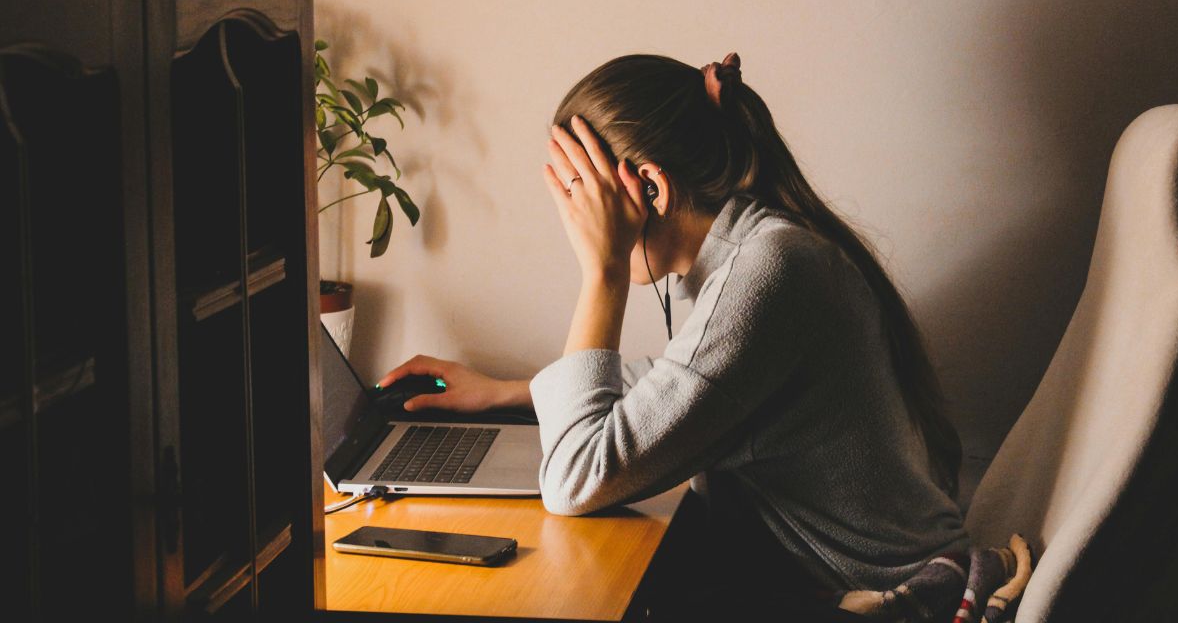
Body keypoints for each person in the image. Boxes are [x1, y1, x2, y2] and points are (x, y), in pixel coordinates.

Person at [378, 52, 971, 621]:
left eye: (580, 199)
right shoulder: (762, 250)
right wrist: (505, 391)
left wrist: (604, 270)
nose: (572, 223)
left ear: (649, 189)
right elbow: (681, 385)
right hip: (826, 580)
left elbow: (575, 479)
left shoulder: (768, 273)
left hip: (876, 599)